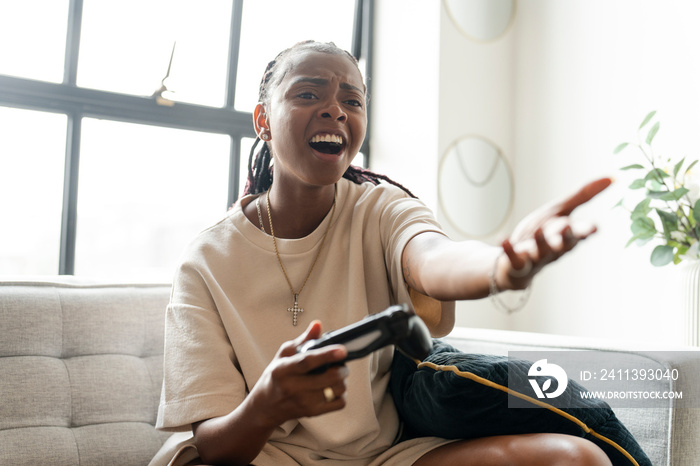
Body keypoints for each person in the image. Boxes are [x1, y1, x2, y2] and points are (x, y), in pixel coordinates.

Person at [153, 40, 637, 466]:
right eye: (308, 93)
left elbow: (432, 259)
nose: (335, 110)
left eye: (352, 99)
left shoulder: (380, 208)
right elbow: (216, 447)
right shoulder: (206, 262)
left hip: (384, 457)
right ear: (263, 121)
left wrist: (500, 266)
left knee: (576, 459)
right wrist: (267, 404)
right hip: (267, 459)